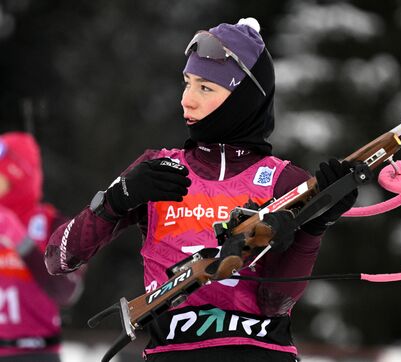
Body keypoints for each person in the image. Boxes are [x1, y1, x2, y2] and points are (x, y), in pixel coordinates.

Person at [45, 18, 360, 361]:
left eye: (205, 88)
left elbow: (275, 303)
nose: (187, 101)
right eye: (187, 83)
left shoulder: (284, 180)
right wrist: (116, 200)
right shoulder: (157, 169)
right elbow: (59, 258)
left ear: (243, 96)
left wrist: (314, 228)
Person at [0, 132, 84, 362]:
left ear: (17, 173)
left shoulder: (51, 224)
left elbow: (68, 290)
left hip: (36, 353)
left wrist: (22, 243)